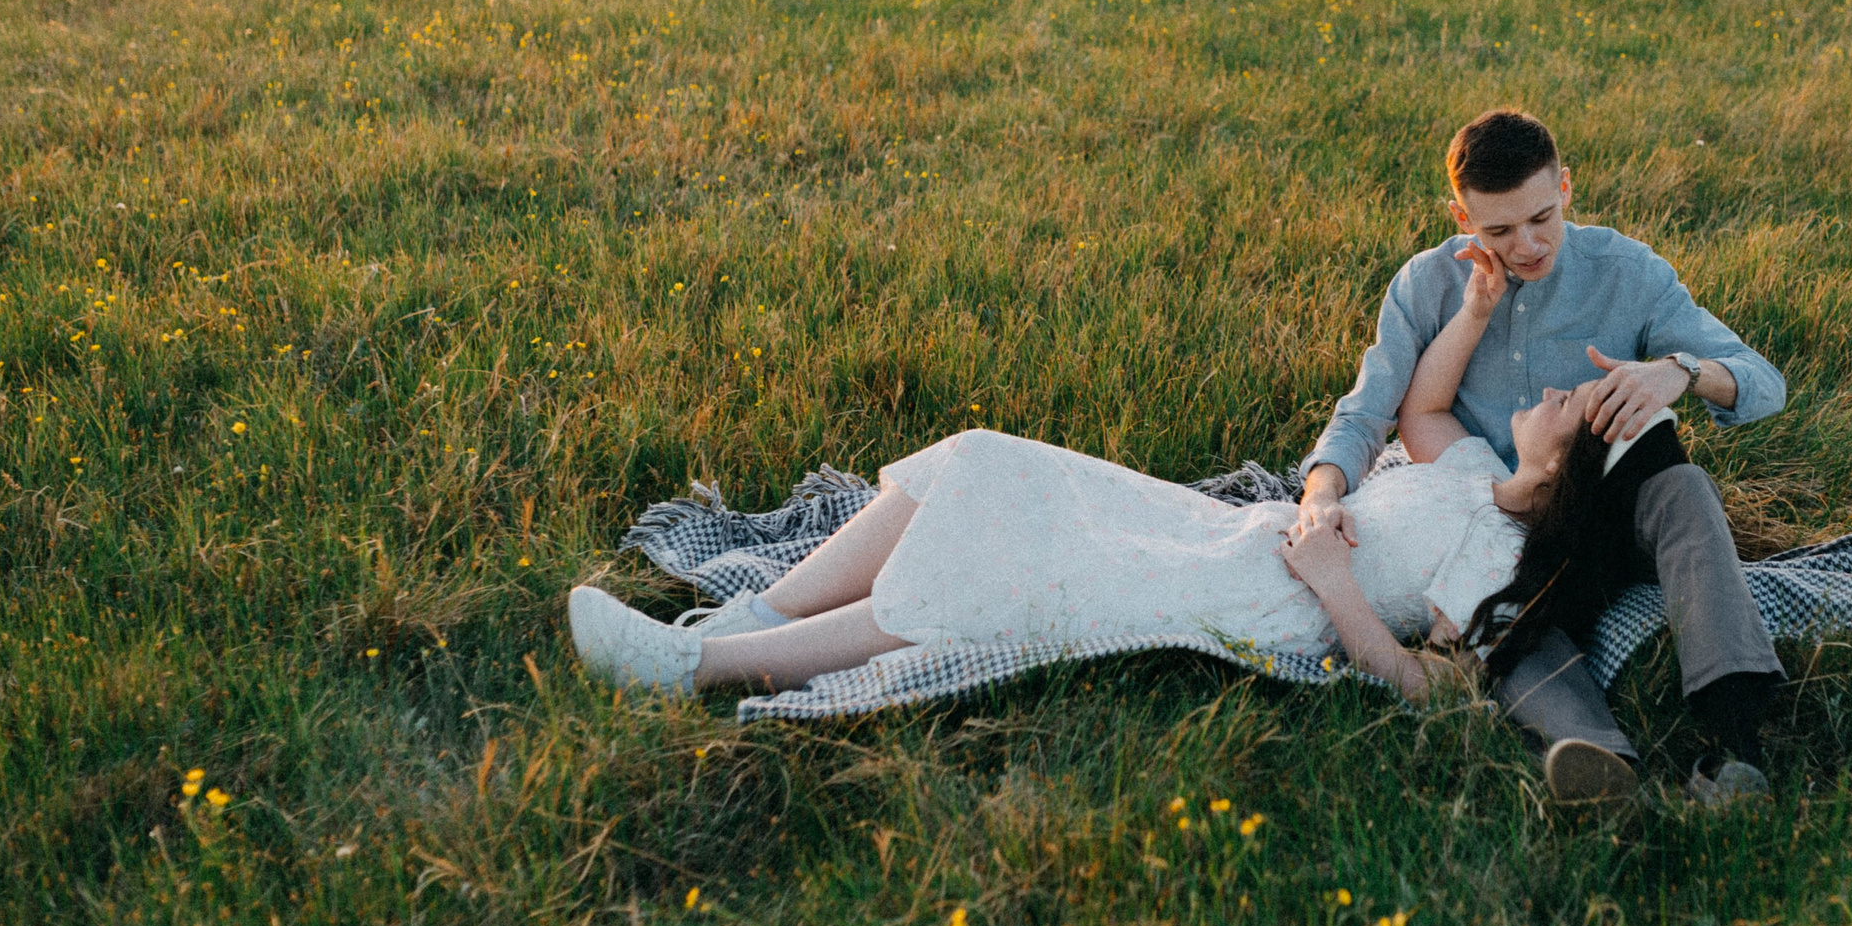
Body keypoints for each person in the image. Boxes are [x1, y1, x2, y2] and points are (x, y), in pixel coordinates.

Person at [568, 299, 1610, 706]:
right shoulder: (1468, 457)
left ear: (1573, 471)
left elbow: (1433, 684)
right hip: (1224, 529)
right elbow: (1421, 397)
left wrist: (1335, 583)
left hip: (1267, 595)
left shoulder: (1497, 556)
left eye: (1572, 404)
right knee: (987, 459)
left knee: (999, 572)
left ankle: (700, 665)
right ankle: (759, 613)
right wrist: (1473, 306)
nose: (1551, 391)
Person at [1293, 108, 1788, 806]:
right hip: (1497, 533)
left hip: (1610, 508)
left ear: (1566, 189)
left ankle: (1735, 741)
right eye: (1498, 229)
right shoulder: (1426, 285)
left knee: (1684, 486)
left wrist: (1677, 369)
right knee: (1501, 622)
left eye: (1541, 218)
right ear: (1463, 217)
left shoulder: (1625, 269)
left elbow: (1762, 380)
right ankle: (1602, 765)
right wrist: (1320, 493)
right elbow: (1367, 412)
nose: (1526, 245)